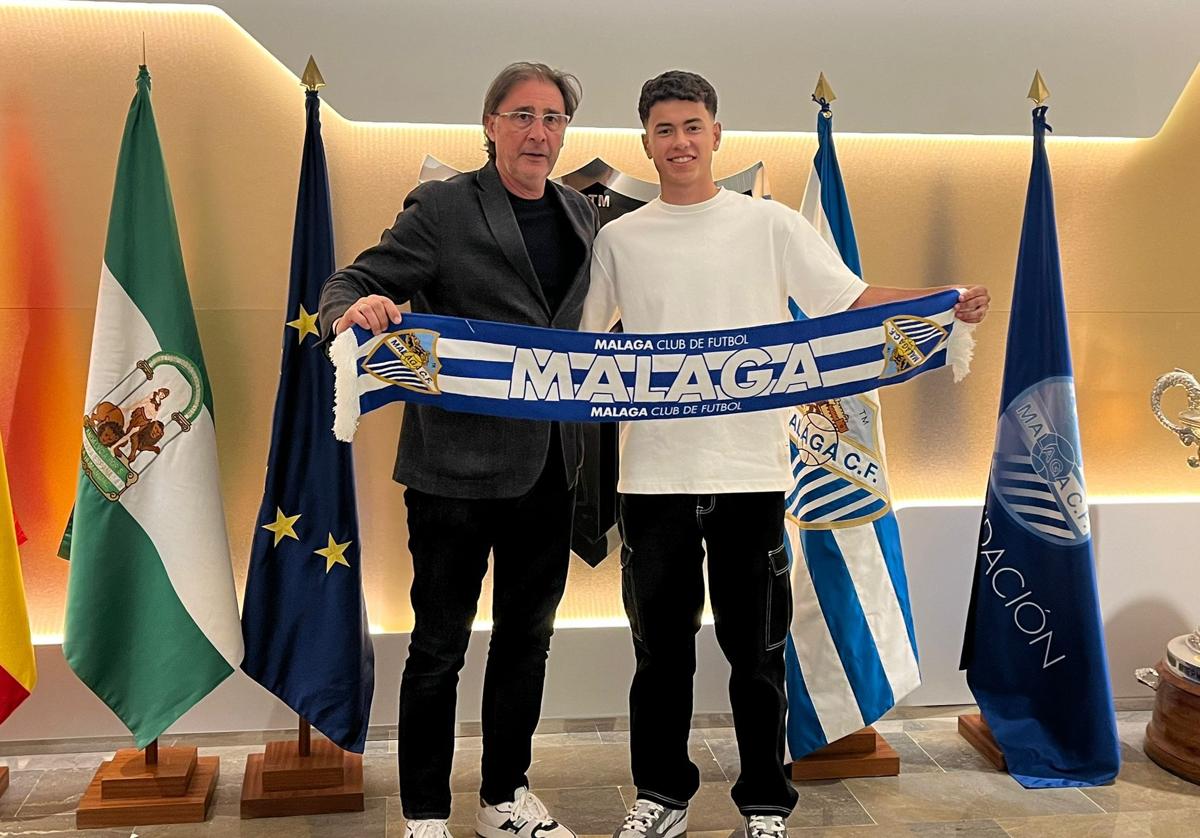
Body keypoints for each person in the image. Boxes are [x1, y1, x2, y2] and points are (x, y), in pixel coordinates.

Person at [580, 70, 990, 838]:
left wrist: (940, 301)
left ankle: (765, 803)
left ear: (717, 134)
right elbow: (580, 349)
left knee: (757, 656)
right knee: (659, 657)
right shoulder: (618, 239)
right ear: (646, 142)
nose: (680, 142)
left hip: (751, 474)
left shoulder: (768, 225)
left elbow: (852, 300)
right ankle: (661, 796)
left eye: (693, 126)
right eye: (664, 130)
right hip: (652, 479)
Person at [319, 62, 597, 838]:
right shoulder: (442, 208)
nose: (538, 132)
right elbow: (349, 281)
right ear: (490, 125)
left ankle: (504, 797)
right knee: (438, 649)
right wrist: (358, 309)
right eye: (521, 116)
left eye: (552, 119)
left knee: (527, 644)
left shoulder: (581, 212)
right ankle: (426, 814)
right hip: (453, 476)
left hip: (552, 468)